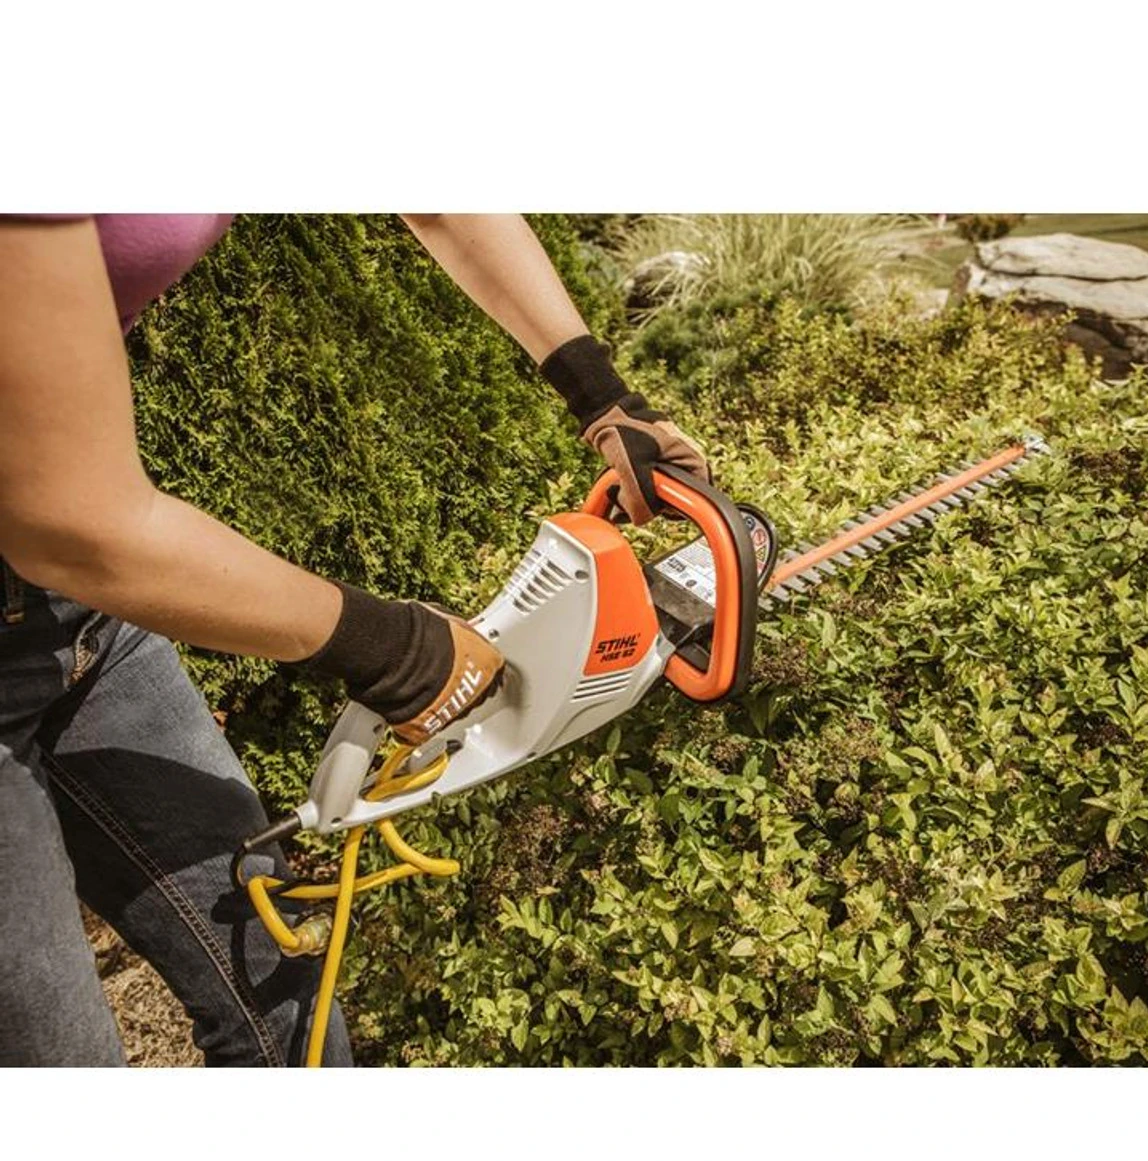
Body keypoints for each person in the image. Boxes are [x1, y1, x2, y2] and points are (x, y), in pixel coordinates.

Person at [0, 214, 709, 1067]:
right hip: (73, 545)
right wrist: (393, 651)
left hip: (77, 608)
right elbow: (74, 525)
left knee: (279, 986)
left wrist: (600, 395)